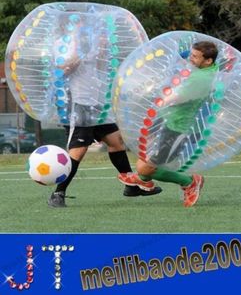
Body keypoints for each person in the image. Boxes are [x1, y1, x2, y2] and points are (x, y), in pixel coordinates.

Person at [48, 17, 162, 208]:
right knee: (78, 151)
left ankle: (131, 187)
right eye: (81, 25)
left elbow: (100, 69)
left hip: (99, 104)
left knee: (116, 142)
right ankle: (58, 192)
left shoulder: (96, 46)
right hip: (78, 104)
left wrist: (99, 48)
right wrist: (79, 52)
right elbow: (61, 72)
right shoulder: (63, 45)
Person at [118, 41, 219, 207]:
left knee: (147, 167)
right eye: (191, 54)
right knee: (145, 160)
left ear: (208, 60)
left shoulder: (201, 78)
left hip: (177, 129)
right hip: (168, 120)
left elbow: (175, 98)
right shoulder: (208, 68)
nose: (190, 59)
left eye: (194, 56)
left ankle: (190, 182)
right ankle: (143, 180)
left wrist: (157, 97)